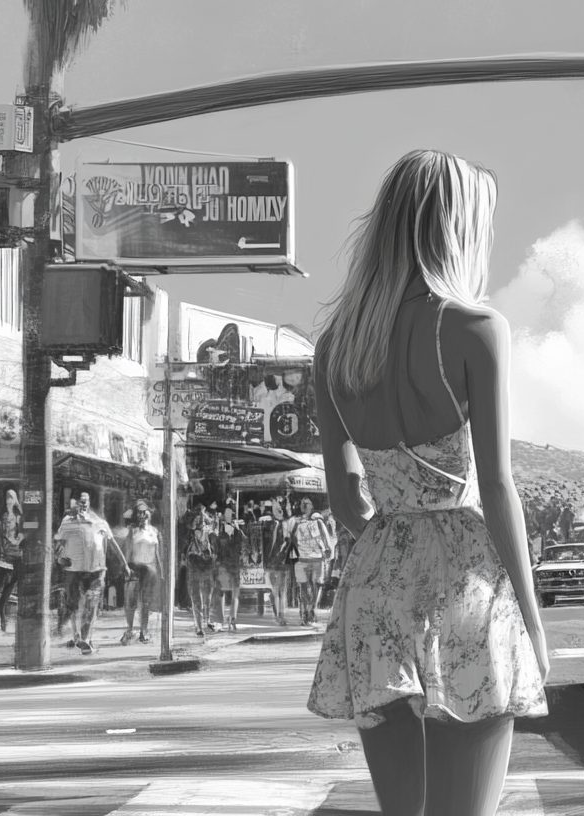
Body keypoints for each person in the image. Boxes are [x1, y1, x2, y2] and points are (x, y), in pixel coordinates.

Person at [307, 150, 548, 816]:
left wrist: (396, 533)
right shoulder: (475, 330)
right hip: (464, 583)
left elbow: (345, 500)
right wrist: (531, 617)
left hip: (375, 582)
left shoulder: (336, 348)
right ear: (457, 227)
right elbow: (497, 488)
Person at [54, 492, 128, 654]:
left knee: (92, 604)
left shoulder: (99, 522)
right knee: (74, 605)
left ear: (89, 503)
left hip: (96, 570)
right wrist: (59, 558)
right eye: (80, 501)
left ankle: (86, 639)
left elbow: (113, 544)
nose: (83, 504)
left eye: (85, 501)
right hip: (74, 570)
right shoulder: (67, 522)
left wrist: (125, 565)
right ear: (74, 503)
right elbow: (58, 544)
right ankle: (77, 636)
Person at [118, 500, 164, 646]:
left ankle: (144, 631)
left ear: (148, 514)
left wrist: (161, 572)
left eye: (144, 512)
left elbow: (158, 554)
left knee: (146, 603)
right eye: (139, 512)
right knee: (130, 601)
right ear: (136, 515)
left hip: (150, 570)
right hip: (134, 568)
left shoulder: (155, 532)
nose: (142, 515)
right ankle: (130, 629)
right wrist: (126, 567)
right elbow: (128, 550)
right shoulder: (132, 531)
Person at [287, 497, 333, 626]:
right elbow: (291, 539)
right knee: (302, 587)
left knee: (316, 586)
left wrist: (327, 552)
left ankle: (311, 609)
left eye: (307, 503)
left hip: (317, 558)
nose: (304, 505)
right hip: (301, 559)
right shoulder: (296, 522)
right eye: (302, 503)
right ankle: (304, 613)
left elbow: (326, 537)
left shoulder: (318, 522)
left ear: (311, 506)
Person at [184, 502, 219, 636]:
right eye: (199, 517)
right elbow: (185, 552)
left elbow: (215, 551)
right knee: (197, 597)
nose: (201, 520)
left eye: (203, 517)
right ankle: (199, 626)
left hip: (206, 566)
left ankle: (206, 620)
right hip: (195, 565)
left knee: (206, 596)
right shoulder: (191, 535)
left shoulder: (210, 535)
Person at [213, 504, 248, 633]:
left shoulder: (237, 531)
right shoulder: (219, 530)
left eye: (230, 514)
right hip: (223, 564)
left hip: (234, 565)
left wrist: (239, 529)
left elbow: (245, 543)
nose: (228, 516)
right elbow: (216, 547)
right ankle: (220, 621)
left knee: (235, 593)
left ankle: (232, 620)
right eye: (226, 513)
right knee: (221, 593)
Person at [0, 490, 22, 634]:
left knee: (11, 585)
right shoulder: (1, 516)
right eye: (7, 497)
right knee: (6, 587)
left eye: (11, 498)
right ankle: (3, 621)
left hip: (17, 555)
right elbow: (0, 536)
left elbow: (27, 529)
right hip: (4, 556)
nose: (9, 500)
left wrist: (17, 540)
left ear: (15, 500)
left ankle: (4, 619)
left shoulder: (19, 516)